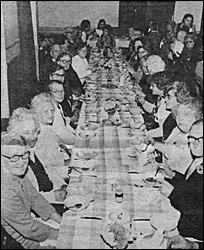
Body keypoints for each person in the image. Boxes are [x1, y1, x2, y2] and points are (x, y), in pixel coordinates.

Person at [1, 132, 62, 249]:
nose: (21, 162)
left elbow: (36, 199)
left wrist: (61, 222)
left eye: (24, 155)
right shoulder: (4, 191)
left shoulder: (18, 174)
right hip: (22, 243)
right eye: (14, 157)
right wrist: (61, 234)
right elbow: (29, 229)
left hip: (34, 230)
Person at [6, 107, 68, 201]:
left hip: (55, 198)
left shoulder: (34, 150)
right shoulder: (15, 161)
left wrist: (62, 185)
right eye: (26, 133)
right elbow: (24, 200)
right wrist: (53, 196)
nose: (32, 137)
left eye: (35, 131)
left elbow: (50, 170)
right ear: (15, 134)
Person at [160, 119, 203, 243]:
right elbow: (190, 187)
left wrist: (172, 193)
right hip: (183, 223)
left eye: (200, 139)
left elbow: (194, 208)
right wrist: (174, 175)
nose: (194, 143)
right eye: (192, 138)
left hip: (193, 236)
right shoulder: (198, 160)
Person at [31, 93, 71, 189]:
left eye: (52, 110)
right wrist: (62, 185)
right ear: (37, 113)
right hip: (56, 175)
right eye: (45, 112)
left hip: (60, 166)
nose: (50, 115)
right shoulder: (41, 134)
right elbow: (49, 167)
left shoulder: (46, 127)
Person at [48, 80, 76, 145]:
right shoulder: (53, 111)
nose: (60, 94)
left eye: (62, 91)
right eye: (56, 92)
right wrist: (77, 139)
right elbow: (63, 136)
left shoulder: (59, 105)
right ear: (49, 93)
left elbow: (65, 126)